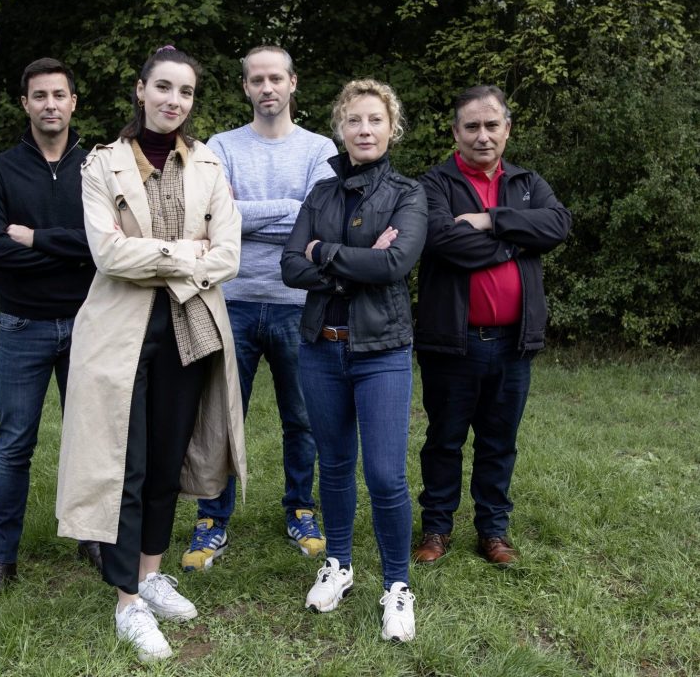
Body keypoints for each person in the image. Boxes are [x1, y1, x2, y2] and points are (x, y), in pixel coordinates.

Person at [55, 46, 246, 663]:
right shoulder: (101, 164)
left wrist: (165, 254)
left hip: (190, 329)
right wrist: (186, 252)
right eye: (163, 87)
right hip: (121, 334)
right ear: (141, 90)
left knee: (167, 462)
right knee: (126, 466)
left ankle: (151, 572)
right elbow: (108, 255)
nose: (174, 100)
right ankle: (127, 602)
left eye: (185, 91)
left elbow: (229, 254)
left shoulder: (208, 164)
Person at [281, 79, 427, 642]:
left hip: (381, 350)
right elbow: (290, 266)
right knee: (335, 465)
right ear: (339, 129)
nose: (364, 130)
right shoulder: (320, 193)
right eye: (354, 120)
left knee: (386, 475)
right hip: (321, 346)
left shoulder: (408, 194)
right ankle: (338, 565)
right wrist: (355, 262)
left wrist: (324, 251)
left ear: (392, 128)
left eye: (375, 120)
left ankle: (397, 586)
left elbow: (393, 266)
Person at [181, 46, 336, 571]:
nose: (267, 88)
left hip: (298, 304)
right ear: (245, 87)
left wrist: (242, 219)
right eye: (256, 80)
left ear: (293, 83)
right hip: (231, 300)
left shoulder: (319, 148)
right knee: (221, 417)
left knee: (303, 417)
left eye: (275, 78)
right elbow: (210, 216)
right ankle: (212, 518)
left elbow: (318, 222)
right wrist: (292, 213)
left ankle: (301, 509)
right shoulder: (220, 146)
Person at [413, 85, 571, 567]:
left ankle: (493, 531)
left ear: (507, 129)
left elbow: (558, 225)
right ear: (456, 132)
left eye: (491, 125)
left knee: (499, 442)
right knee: (444, 440)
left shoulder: (527, 182)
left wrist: (489, 221)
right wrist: (518, 239)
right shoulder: (433, 185)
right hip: (452, 341)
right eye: (472, 127)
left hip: (512, 343)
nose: (482, 136)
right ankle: (436, 528)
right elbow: (445, 242)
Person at [0, 57, 101, 599]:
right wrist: (71, 250)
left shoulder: (97, 168)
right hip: (22, 324)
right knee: (15, 444)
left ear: (74, 102)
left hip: (89, 323)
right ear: (25, 104)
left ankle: (93, 538)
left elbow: (105, 246)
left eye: (59, 95)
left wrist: (35, 239)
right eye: (40, 96)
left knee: (90, 440)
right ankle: (2, 559)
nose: (51, 104)